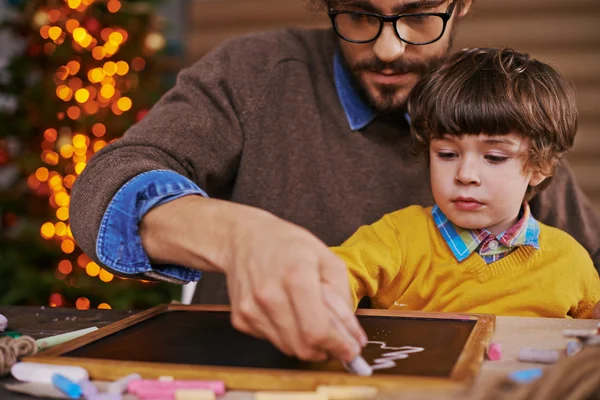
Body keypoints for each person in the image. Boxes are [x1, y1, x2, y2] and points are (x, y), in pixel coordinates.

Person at [69, 0, 600, 363]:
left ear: (460, 5)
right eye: (360, 14)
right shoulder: (255, 73)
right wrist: (236, 236)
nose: (389, 49)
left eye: (417, 16)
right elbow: (106, 188)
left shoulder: (496, 103)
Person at [333, 47, 600, 318]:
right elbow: (332, 278)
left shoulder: (570, 261)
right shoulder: (397, 239)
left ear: (540, 166)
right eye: (447, 154)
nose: (465, 174)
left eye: (494, 157)